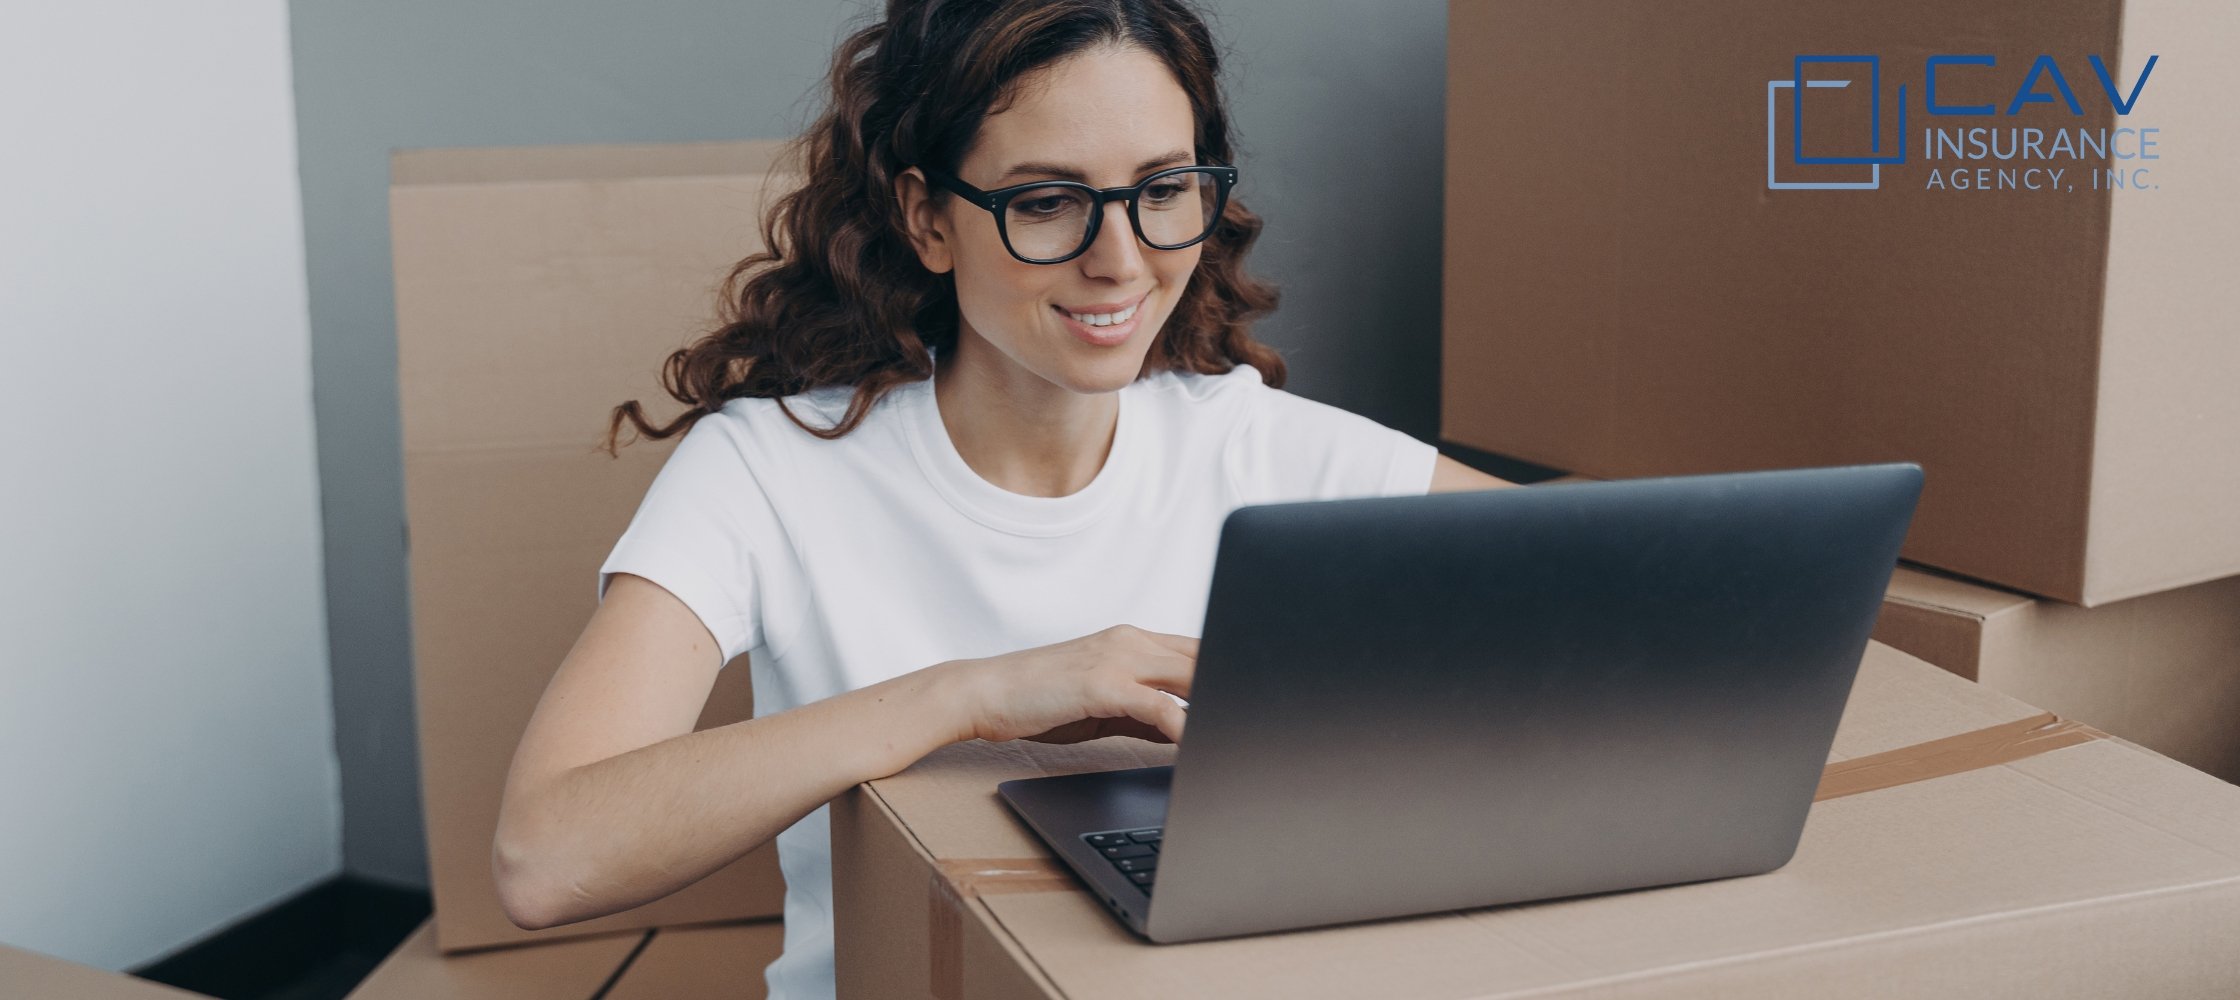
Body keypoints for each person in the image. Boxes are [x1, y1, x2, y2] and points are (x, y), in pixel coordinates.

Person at [491, 0, 1514, 996]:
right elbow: (543, 856)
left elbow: (1615, 579)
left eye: (1161, 188)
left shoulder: (1251, 442)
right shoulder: (767, 469)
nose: (1118, 260)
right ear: (927, 218)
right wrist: (968, 698)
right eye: (1044, 202)